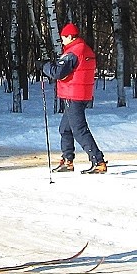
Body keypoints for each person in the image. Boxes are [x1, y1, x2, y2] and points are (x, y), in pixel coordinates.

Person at [36, 23, 107, 174]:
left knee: (79, 130)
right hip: (80, 93)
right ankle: (68, 160)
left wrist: (44, 66)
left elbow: (58, 73)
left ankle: (98, 161)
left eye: (63, 38)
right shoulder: (83, 49)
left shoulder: (74, 52)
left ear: (70, 36)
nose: (62, 41)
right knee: (65, 129)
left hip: (73, 94)